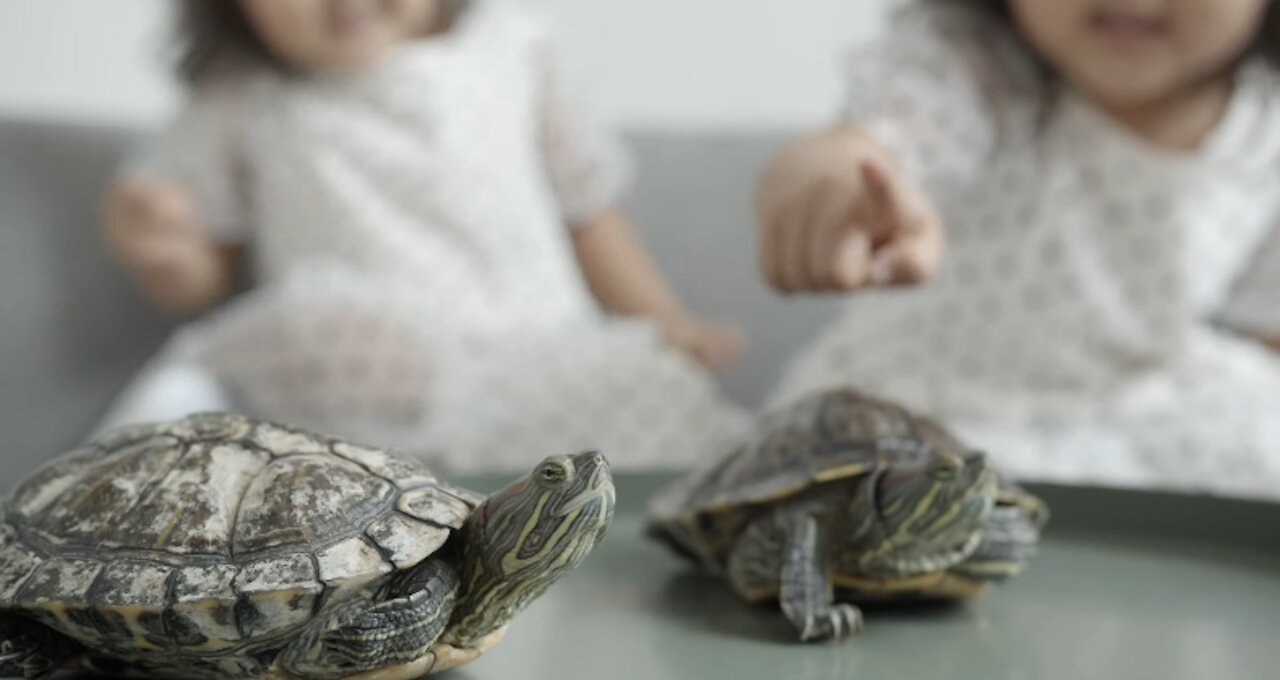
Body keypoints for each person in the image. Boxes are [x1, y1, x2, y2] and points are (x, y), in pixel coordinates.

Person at [99, 0, 748, 471]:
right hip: (358, 389)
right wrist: (169, 254)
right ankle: (160, 444)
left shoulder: (512, 49)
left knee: (656, 382)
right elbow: (207, 272)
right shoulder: (242, 95)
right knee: (305, 333)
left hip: (535, 358)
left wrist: (664, 319)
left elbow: (588, 212)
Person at [757, 0, 1280, 498]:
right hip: (927, 404)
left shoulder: (1264, 130)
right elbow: (876, 142)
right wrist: (835, 181)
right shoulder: (973, 70)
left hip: (1131, 417)